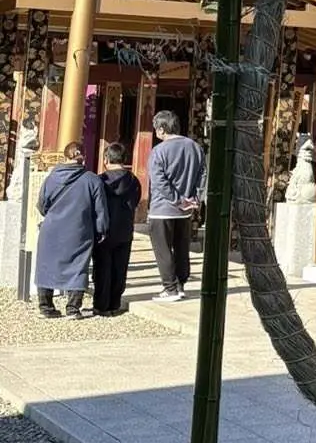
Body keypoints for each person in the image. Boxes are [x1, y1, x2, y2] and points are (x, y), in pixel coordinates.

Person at [35, 142, 111, 320]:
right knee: (77, 267)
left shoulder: (51, 178)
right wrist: (102, 229)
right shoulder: (92, 179)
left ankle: (45, 307)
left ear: (65, 156)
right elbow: (100, 210)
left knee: (46, 266)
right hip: (79, 230)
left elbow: (42, 205)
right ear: (83, 156)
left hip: (51, 229)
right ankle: (73, 308)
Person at [146, 110, 205, 302]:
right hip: (186, 209)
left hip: (162, 209)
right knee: (181, 248)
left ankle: (170, 287)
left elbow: (159, 181)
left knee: (163, 250)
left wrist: (177, 199)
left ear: (162, 129)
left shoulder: (159, 151)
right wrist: (195, 198)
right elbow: (202, 176)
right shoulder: (195, 147)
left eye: (156, 129)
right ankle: (180, 284)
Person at [93, 141, 143, 317]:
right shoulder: (134, 180)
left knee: (102, 268)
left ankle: (101, 304)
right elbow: (136, 202)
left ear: (106, 159)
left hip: (103, 230)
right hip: (124, 229)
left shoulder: (100, 180)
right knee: (119, 267)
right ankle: (115, 303)